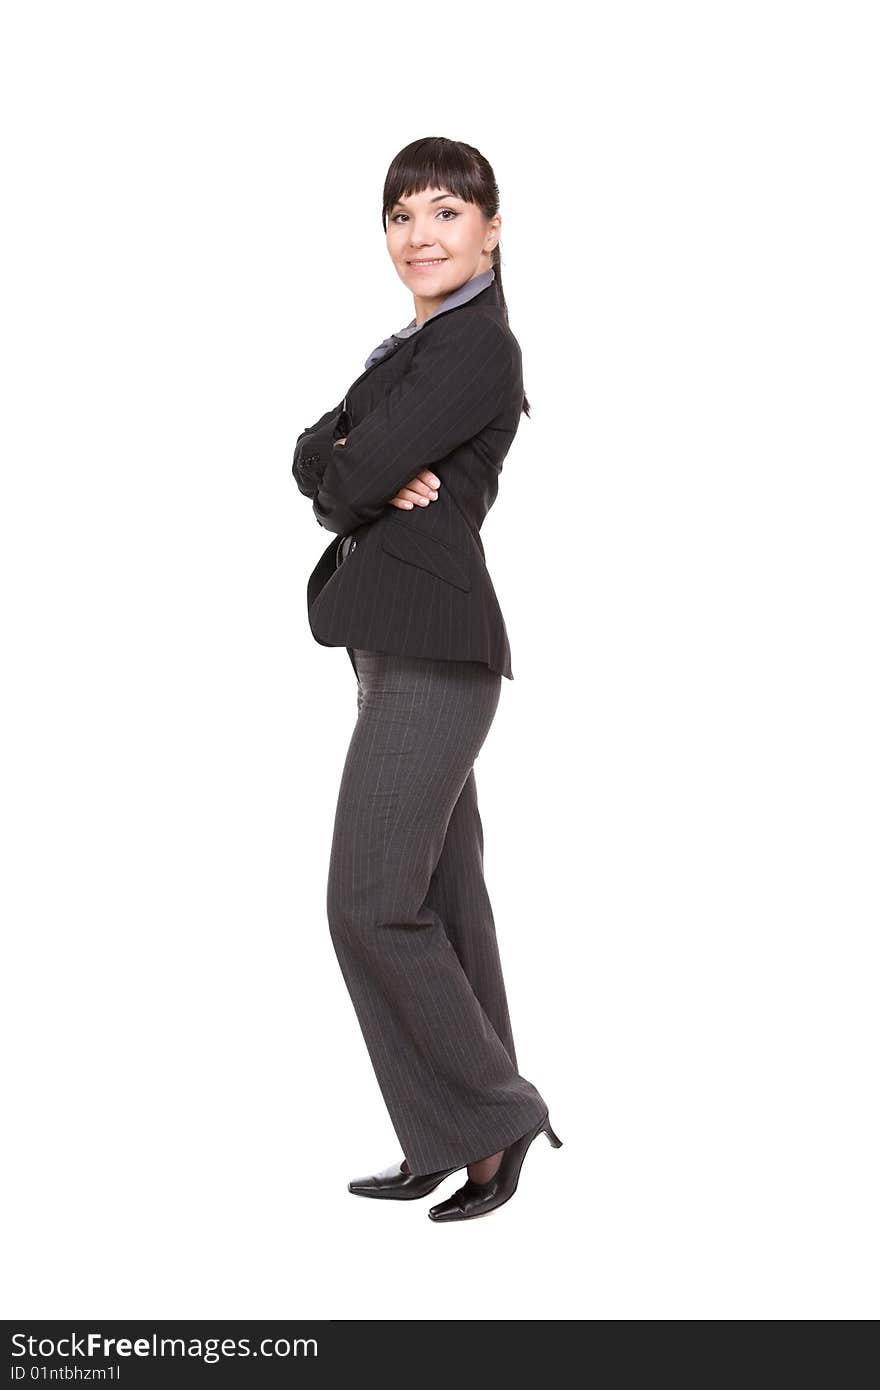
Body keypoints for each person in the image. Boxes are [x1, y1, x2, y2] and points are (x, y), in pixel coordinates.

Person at [291, 137, 561, 1221]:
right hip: (394, 644)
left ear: (491, 228)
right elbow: (318, 456)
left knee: (364, 901)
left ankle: (495, 1110)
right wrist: (350, 459)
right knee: (443, 900)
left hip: (439, 653)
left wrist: (351, 463)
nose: (420, 236)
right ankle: (451, 1132)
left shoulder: (477, 349)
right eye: (401, 216)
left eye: (446, 213)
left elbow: (341, 468)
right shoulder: (407, 346)